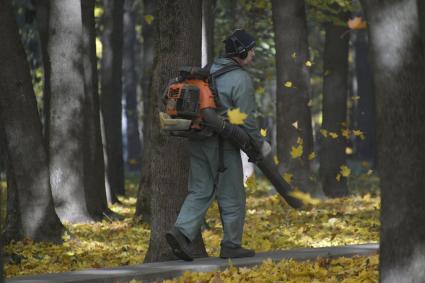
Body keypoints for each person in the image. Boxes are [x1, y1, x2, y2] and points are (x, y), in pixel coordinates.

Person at [165, 29, 265, 261]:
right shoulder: (240, 78)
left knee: (200, 189)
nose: (253, 55)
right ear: (241, 52)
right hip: (222, 145)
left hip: (197, 139)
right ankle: (231, 245)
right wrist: (259, 145)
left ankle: (180, 232)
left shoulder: (208, 69)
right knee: (232, 194)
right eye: (251, 51)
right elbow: (247, 121)